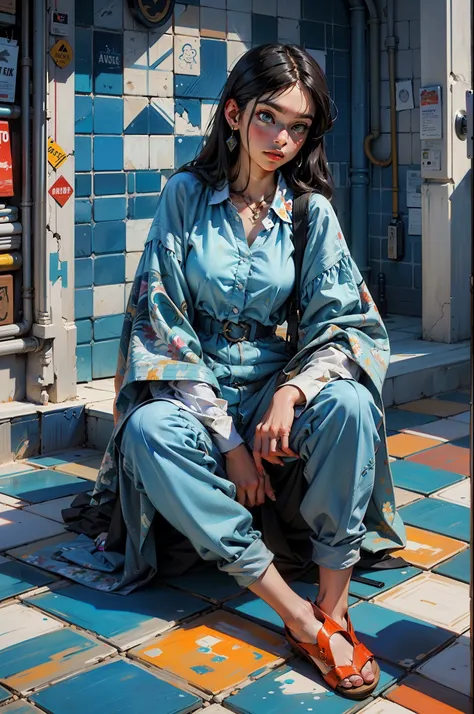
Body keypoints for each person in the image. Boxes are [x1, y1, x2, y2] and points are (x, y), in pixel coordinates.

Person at [32, 44, 406, 700]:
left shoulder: (309, 212)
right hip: (194, 385)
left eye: (298, 127)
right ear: (234, 113)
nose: (282, 139)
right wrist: (230, 444)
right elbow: (161, 325)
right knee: (148, 431)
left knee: (346, 404)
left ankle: (333, 607)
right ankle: (294, 614)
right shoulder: (184, 196)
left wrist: (292, 390)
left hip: (273, 386)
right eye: (269, 117)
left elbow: (348, 322)